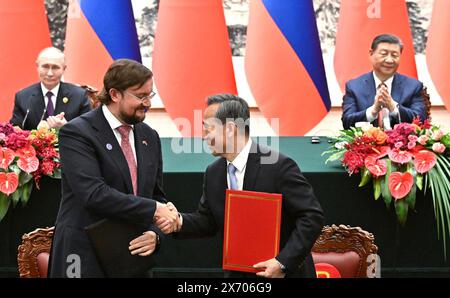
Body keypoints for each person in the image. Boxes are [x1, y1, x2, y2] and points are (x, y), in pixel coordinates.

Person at [157, 94, 324, 278]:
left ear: (230, 128)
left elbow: (311, 216)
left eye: (208, 128)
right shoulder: (214, 172)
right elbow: (207, 221)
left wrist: (282, 262)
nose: (203, 136)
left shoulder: (278, 166)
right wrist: (178, 221)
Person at [49, 59, 177, 277]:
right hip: (82, 257)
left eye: (150, 95)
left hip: (131, 259)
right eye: (140, 96)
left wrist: (154, 233)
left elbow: (156, 196)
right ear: (115, 94)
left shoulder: (149, 136)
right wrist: (155, 208)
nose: (147, 103)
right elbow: (93, 194)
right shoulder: (77, 133)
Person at [342, 34, 427, 130]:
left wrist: (393, 108)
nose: (389, 60)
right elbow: (347, 122)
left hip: (402, 144)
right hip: (366, 143)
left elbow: (421, 120)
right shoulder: (354, 86)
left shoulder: (413, 86)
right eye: (383, 54)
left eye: (394, 55)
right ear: (371, 53)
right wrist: (373, 111)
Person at [10, 47, 91, 130]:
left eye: (55, 67)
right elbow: (15, 131)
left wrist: (66, 128)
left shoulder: (79, 96)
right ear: (37, 66)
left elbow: (88, 130)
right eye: (45, 67)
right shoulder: (22, 97)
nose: (50, 73)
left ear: (64, 69)